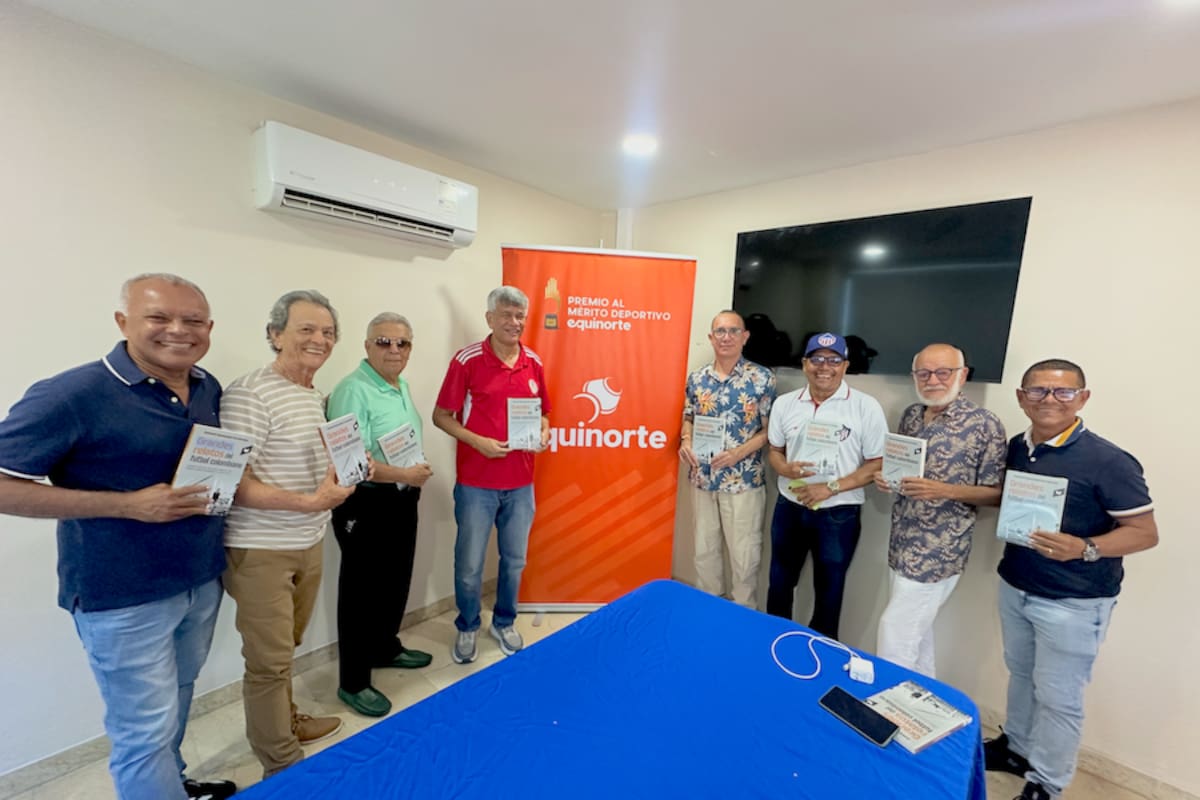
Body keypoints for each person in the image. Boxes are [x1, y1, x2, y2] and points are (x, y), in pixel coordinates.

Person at [0, 274, 236, 800]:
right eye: (159, 317)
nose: (178, 330)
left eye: (193, 320)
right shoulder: (71, 394)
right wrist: (125, 505)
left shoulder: (207, 386)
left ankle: (174, 787)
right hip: (121, 597)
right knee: (143, 734)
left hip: (199, 580)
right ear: (122, 322)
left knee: (175, 702)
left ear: (209, 328)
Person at [984, 359, 1158, 800]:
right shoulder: (1018, 447)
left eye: (1062, 392)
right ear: (1022, 398)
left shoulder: (1109, 461)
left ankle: (1047, 782)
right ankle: (1018, 750)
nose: (1049, 400)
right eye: (1038, 391)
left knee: (1060, 698)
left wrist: (1085, 548)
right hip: (1017, 583)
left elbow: (1144, 533)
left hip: (1073, 602)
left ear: (1083, 398)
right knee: (1021, 674)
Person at [220, 290, 356, 778]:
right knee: (268, 662)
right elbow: (233, 482)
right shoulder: (250, 393)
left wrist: (343, 474)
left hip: (307, 539)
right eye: (306, 329)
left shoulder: (313, 395)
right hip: (262, 548)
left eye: (327, 332)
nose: (319, 340)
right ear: (275, 335)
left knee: (285, 648)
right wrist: (308, 502)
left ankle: (287, 722)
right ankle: (282, 768)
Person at [873, 344, 1007, 676]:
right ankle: (923, 703)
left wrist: (944, 490)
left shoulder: (985, 425)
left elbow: (997, 494)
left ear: (962, 375)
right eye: (924, 372)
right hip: (902, 542)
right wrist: (886, 478)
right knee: (917, 636)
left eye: (942, 372)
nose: (932, 380)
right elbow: (901, 467)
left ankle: (889, 710)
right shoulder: (911, 415)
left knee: (896, 632)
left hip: (940, 550)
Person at [433, 286, 550, 664]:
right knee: (469, 564)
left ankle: (503, 621)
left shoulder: (534, 362)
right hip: (477, 485)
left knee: (514, 561)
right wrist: (477, 442)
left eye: (520, 316)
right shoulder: (467, 360)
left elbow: (545, 413)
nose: (514, 322)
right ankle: (467, 625)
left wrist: (544, 433)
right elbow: (441, 416)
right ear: (490, 319)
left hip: (521, 483)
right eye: (506, 314)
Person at [327, 313, 434, 718]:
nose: (394, 350)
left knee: (394, 580)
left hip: (403, 499)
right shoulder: (352, 390)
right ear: (367, 345)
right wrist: (405, 473)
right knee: (360, 593)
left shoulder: (399, 385)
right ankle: (353, 682)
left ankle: (385, 647)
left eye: (402, 343)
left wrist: (410, 477)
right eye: (384, 342)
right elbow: (349, 462)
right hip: (365, 503)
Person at [765, 332, 886, 639]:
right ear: (805, 364)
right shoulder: (785, 404)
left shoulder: (865, 407)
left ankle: (820, 657)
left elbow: (877, 463)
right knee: (779, 584)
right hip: (789, 508)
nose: (824, 367)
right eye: (817, 359)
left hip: (838, 514)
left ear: (845, 366)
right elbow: (775, 453)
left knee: (829, 592)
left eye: (833, 360)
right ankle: (773, 645)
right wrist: (785, 469)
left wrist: (830, 487)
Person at [679, 310, 776, 608]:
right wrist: (686, 440)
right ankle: (708, 616)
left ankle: (743, 619)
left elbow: (770, 431)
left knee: (744, 558)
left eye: (733, 331)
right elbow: (688, 419)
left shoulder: (762, 378)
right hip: (703, 479)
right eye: (720, 331)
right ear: (711, 338)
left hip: (743, 481)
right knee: (704, 554)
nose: (726, 337)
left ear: (745, 337)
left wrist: (739, 452)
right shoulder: (697, 379)